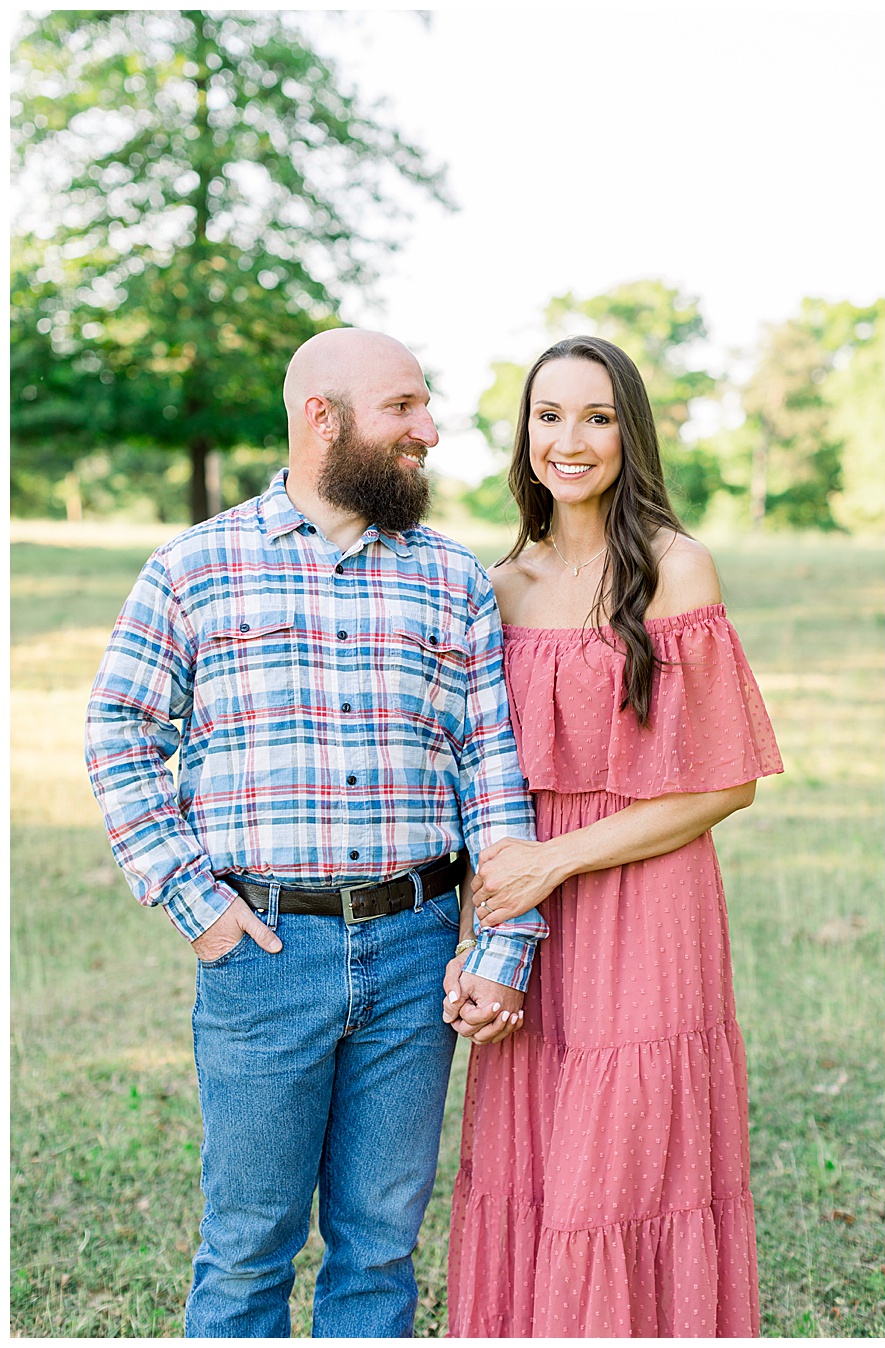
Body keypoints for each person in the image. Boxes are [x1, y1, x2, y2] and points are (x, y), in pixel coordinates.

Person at [84, 328, 543, 1337]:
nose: (430, 430)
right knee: (248, 1245)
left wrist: (505, 942)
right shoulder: (195, 567)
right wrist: (197, 904)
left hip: (418, 952)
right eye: (404, 408)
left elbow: (493, 772)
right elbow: (120, 729)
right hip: (264, 954)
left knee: (379, 1248)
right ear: (321, 418)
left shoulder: (452, 578)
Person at [444, 336, 782, 1337]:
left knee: (628, 1164)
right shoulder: (500, 584)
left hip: (647, 903)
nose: (571, 440)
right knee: (533, 1158)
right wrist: (480, 935)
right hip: (527, 914)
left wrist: (555, 860)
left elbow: (724, 785)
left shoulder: (677, 568)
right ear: (524, 435)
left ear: (629, 433)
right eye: (549, 416)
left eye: (596, 417)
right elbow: (484, 785)